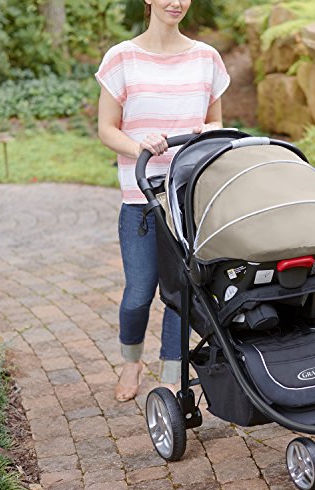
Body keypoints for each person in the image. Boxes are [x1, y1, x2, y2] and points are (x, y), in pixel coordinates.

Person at [95, 0, 230, 401]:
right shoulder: (122, 58)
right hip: (141, 197)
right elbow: (106, 129)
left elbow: (217, 122)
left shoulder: (206, 58)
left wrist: (209, 130)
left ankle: (173, 372)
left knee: (182, 290)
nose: (176, 2)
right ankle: (131, 360)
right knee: (139, 292)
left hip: (188, 196)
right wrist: (139, 145)